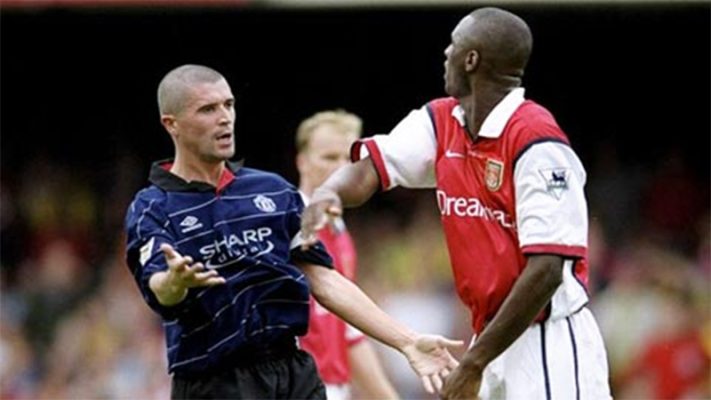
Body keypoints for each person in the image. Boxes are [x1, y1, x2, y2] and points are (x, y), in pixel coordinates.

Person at [301, 7, 612, 400]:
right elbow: (370, 171)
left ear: (471, 59)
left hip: (548, 341)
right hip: (492, 339)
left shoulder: (537, 141)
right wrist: (330, 193)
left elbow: (547, 271)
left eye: (453, 44)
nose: (446, 53)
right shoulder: (442, 121)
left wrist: (473, 364)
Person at [124, 64, 462, 399]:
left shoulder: (273, 191)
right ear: (171, 124)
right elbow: (159, 288)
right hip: (215, 383)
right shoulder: (152, 207)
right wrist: (175, 283)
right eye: (208, 109)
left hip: (292, 373)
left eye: (228, 105)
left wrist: (407, 341)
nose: (225, 118)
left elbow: (324, 280)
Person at [294, 110, 400, 400]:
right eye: (329, 157)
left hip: (334, 388)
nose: (340, 168)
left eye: (347, 159)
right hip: (298, 385)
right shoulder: (287, 225)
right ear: (302, 161)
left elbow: (349, 333)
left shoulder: (338, 231)